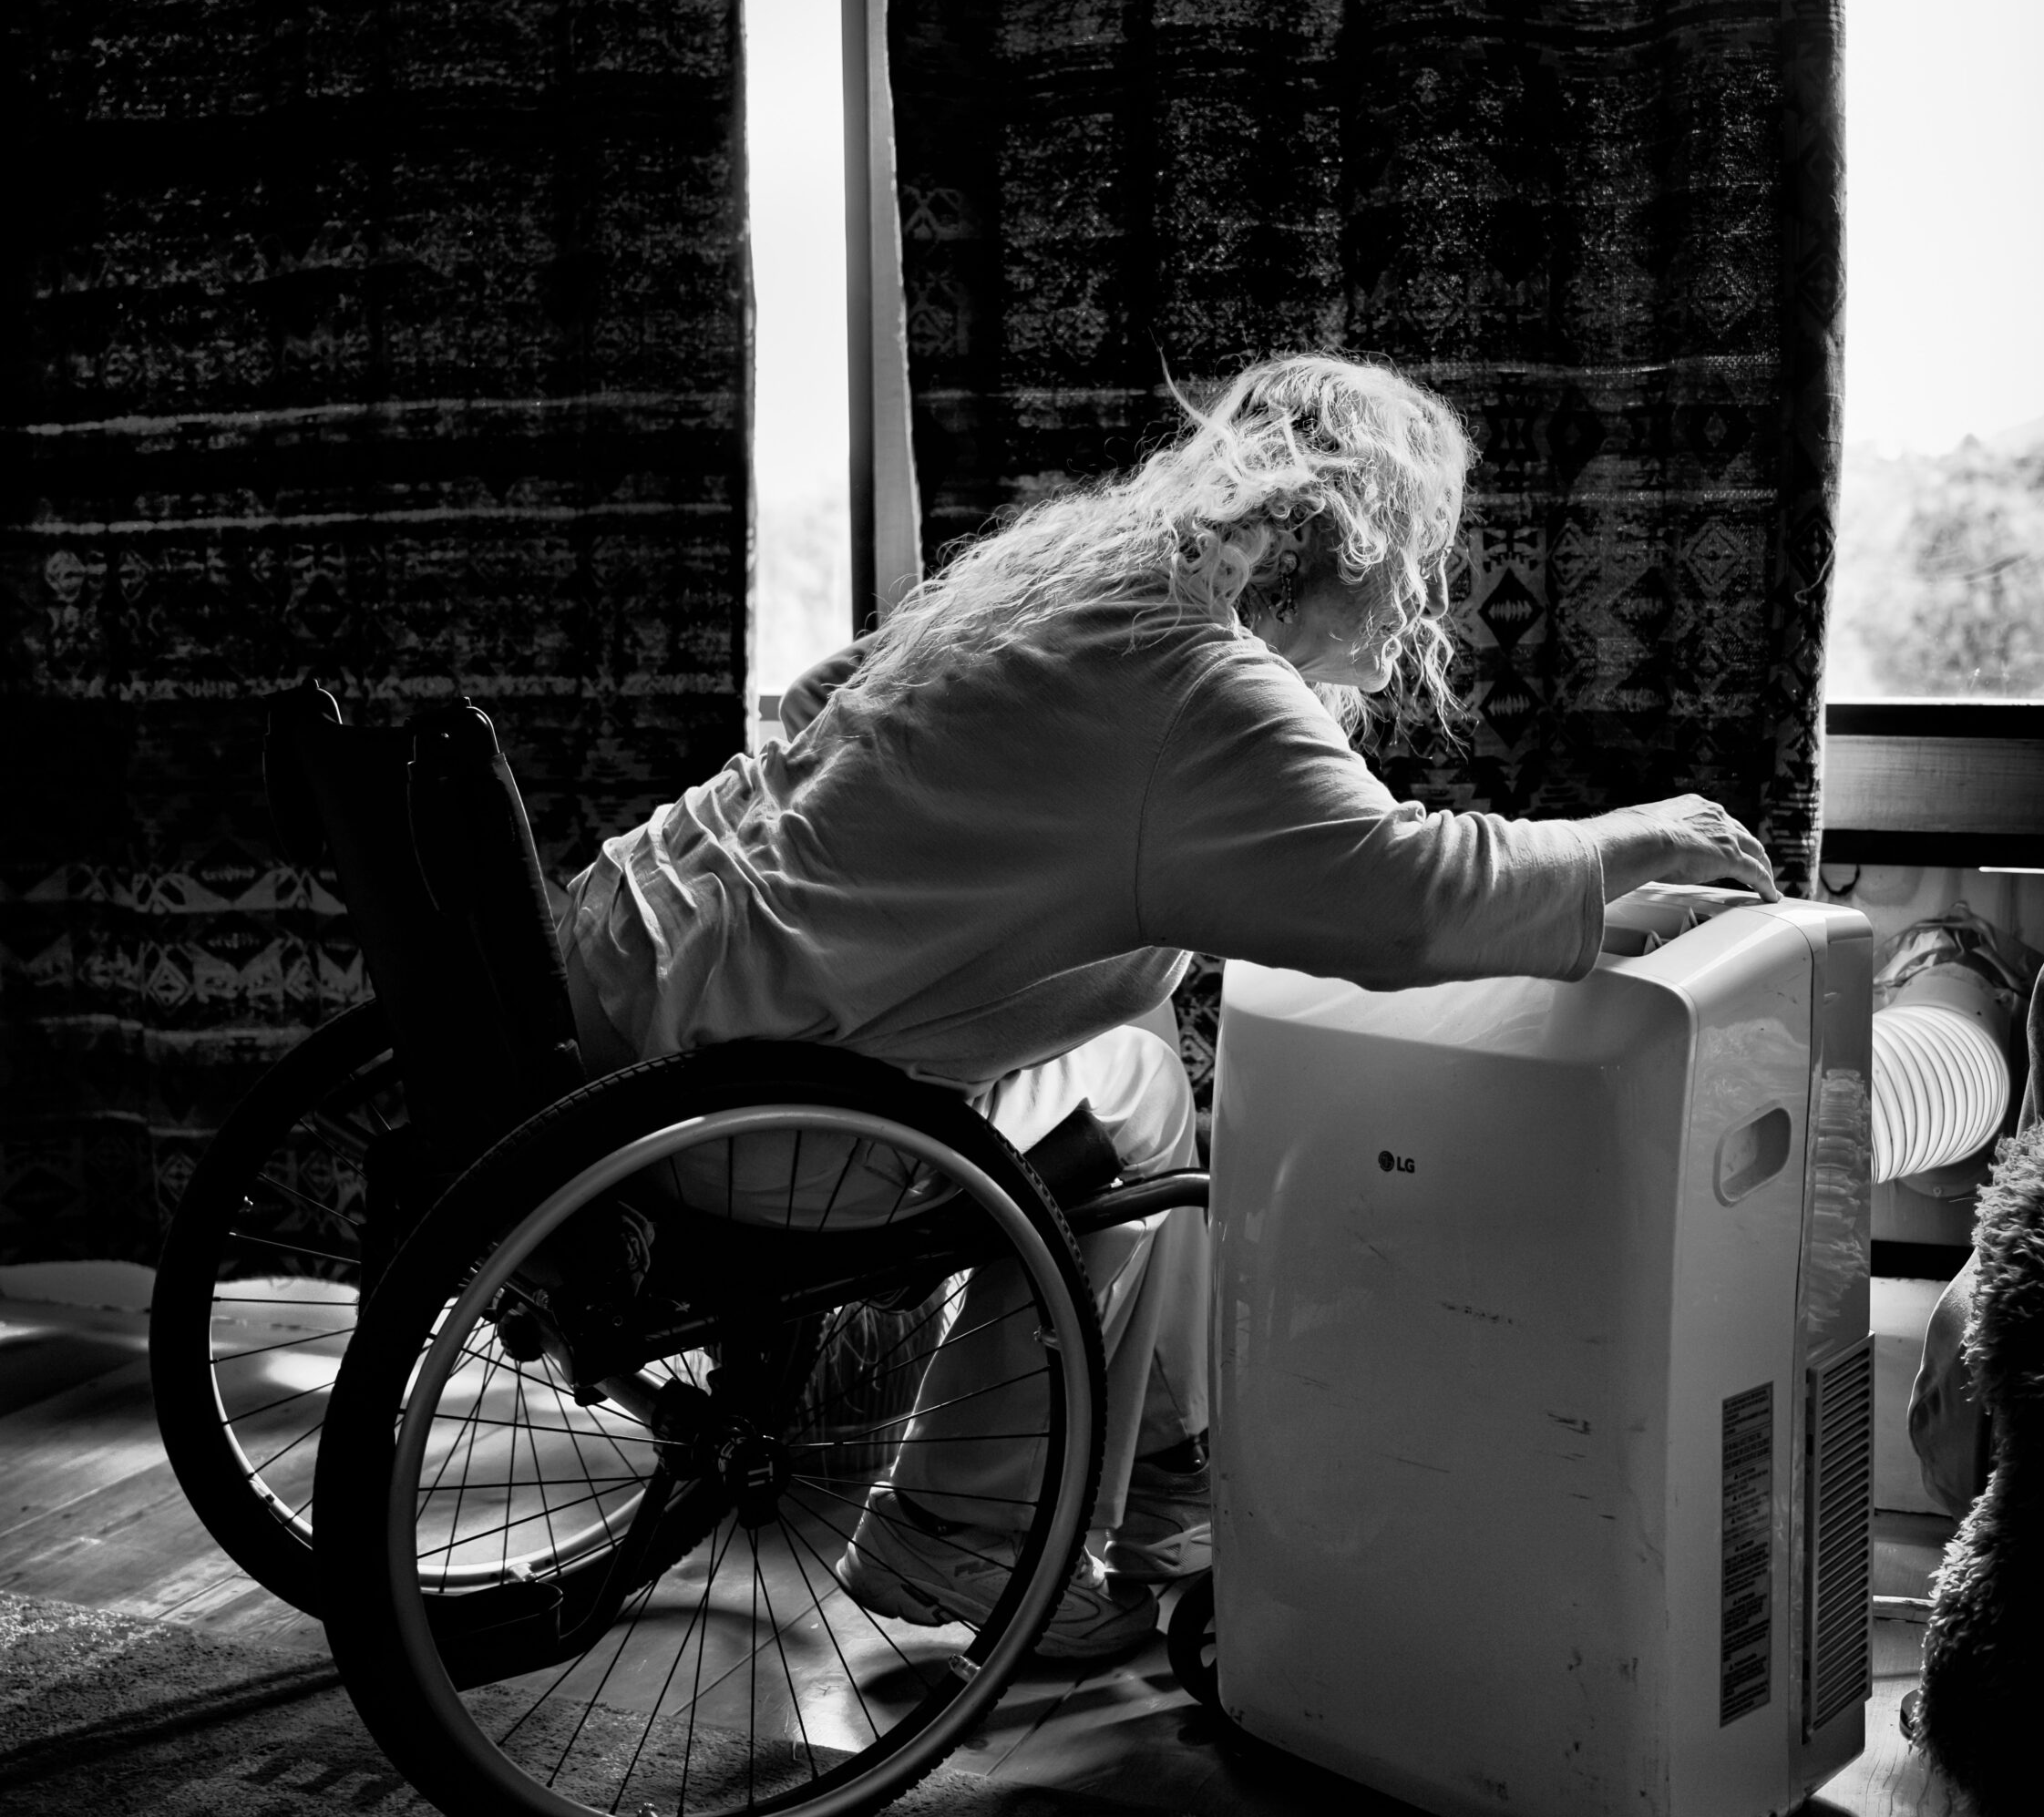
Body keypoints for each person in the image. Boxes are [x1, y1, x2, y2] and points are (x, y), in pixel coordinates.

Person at [555, 353, 1778, 1658]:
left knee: (1124, 1043)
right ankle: (968, 1528)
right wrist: (1642, 838)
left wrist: (1589, 914)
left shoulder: (1068, 579)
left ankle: (1164, 1471)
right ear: (1351, 537)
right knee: (1138, 1104)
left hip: (617, 973)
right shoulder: (1200, 681)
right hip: (740, 1092)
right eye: (1418, 552)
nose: (1424, 593)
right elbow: (1403, 889)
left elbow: (816, 719)